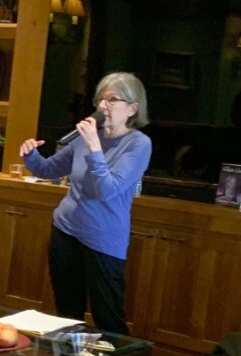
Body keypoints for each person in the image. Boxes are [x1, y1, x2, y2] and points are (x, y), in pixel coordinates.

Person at [20, 72, 152, 337]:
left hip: (104, 239)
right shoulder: (85, 138)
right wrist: (31, 154)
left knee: (108, 317)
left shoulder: (137, 144)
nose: (103, 106)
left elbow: (107, 189)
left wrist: (94, 147)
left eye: (113, 100)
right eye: (101, 99)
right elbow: (49, 169)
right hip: (65, 231)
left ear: (133, 108)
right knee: (68, 316)